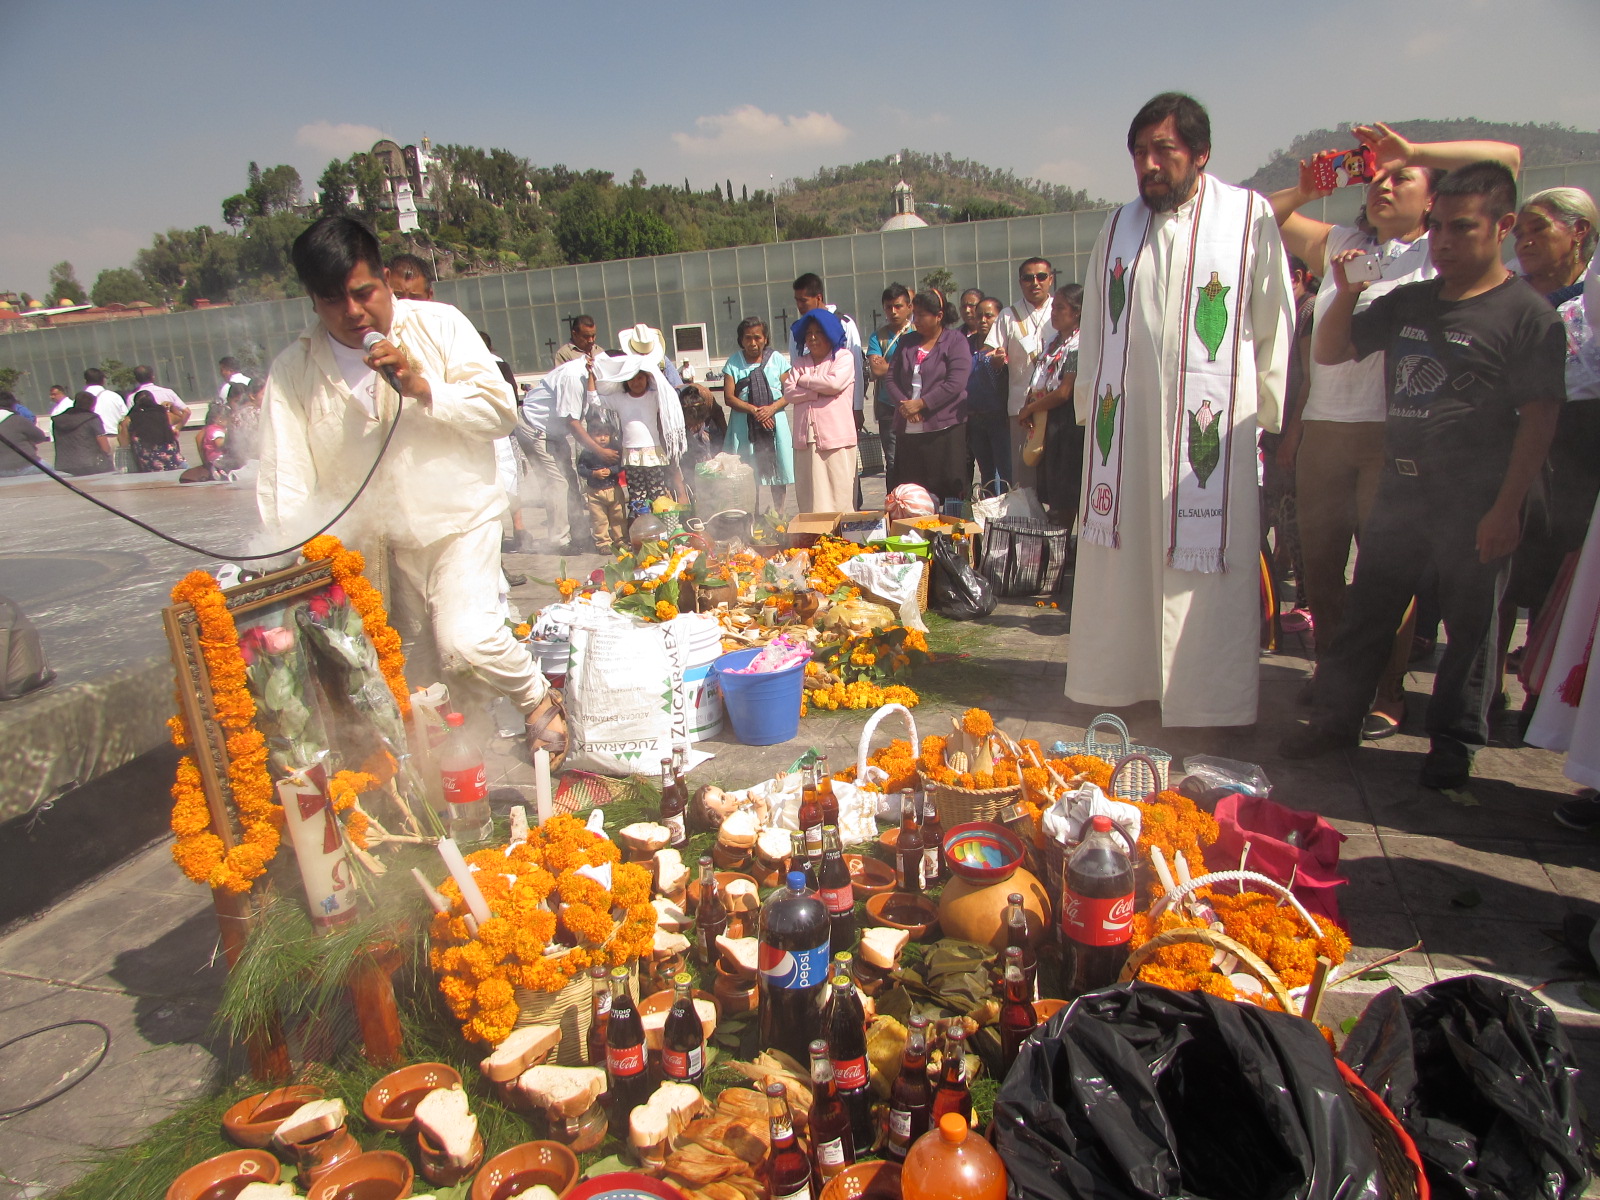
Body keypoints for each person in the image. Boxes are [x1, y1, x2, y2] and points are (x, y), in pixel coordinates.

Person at [1281, 163, 1567, 789]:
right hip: (1402, 490)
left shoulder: (1527, 316)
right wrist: (1349, 293)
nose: (1442, 241)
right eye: (1436, 228)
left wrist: (1506, 509)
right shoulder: (1411, 300)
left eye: (1461, 229)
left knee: (1472, 624)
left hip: (1477, 497)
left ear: (1503, 227)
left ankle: (1454, 742)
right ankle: (1335, 720)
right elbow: (1331, 352)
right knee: (1368, 611)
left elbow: (1539, 422)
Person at [257, 215, 565, 758]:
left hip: (459, 521)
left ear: (382, 277)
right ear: (311, 301)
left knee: (466, 641)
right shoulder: (293, 371)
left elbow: (498, 412)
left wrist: (423, 386)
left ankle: (538, 698)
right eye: (333, 300)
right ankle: (454, 775)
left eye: (363, 293)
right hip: (375, 550)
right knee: (417, 679)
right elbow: (285, 480)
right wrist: (294, 567)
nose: (353, 312)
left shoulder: (439, 326)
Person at [1067, 93, 1295, 729]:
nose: (1149, 165)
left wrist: (1268, 412)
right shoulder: (1117, 227)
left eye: (1163, 150)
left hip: (1211, 433)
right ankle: (1127, 679)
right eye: (1139, 153)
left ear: (1201, 153)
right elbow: (1094, 324)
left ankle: (1206, 696)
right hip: (1131, 431)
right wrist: (1093, 413)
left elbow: (1273, 316)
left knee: (1204, 561)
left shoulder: (1248, 216)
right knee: (1126, 558)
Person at [1499, 187, 1600, 726]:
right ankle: (1483, 693)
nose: (1526, 239)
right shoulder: (1509, 292)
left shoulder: (1592, 299)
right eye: (1520, 233)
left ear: (1579, 231)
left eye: (1539, 228)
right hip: (1514, 439)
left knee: (1562, 576)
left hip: (1581, 447)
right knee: (1501, 571)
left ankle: (1544, 700)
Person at [560, 353, 686, 519]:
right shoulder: (619, 398)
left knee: (658, 496)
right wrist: (591, 374)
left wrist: (652, 367)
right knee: (638, 497)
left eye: (640, 378)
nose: (636, 382)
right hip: (632, 456)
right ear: (625, 380)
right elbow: (593, 399)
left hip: (653, 455)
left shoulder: (654, 396)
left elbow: (668, 391)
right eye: (632, 378)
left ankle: (661, 533)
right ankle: (640, 533)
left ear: (647, 378)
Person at [884, 289, 971, 504]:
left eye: (923, 315)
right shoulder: (907, 342)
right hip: (909, 429)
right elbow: (890, 378)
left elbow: (956, 383)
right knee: (912, 492)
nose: (916, 320)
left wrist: (922, 404)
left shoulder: (955, 341)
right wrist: (906, 407)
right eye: (916, 314)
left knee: (948, 489)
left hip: (945, 429)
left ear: (939, 316)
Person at [988, 258, 1058, 488]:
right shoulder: (1008, 315)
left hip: (1057, 402)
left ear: (1051, 279)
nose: (1034, 282)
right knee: (1024, 471)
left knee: (1056, 468)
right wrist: (997, 360)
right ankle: (1027, 521)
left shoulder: (1060, 309)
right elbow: (991, 356)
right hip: (1021, 406)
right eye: (1028, 278)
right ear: (1020, 282)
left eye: (1041, 276)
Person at [1020, 284, 1085, 524]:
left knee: (1064, 490)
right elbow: (1041, 379)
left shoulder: (1079, 344)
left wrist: (1030, 408)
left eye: (1061, 308)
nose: (1054, 313)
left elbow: (1064, 391)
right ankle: (1054, 539)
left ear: (1076, 312)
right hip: (1046, 418)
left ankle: (1063, 546)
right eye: (1053, 307)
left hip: (1066, 423)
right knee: (1048, 486)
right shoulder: (1053, 341)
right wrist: (1029, 405)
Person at [783, 308, 858, 512]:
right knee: (810, 498)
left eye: (819, 332)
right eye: (809, 334)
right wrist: (816, 393)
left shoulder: (843, 358)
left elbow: (834, 384)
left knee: (837, 497)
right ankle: (813, 539)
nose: (813, 338)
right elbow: (789, 392)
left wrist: (804, 380)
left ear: (831, 333)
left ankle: (840, 542)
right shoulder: (800, 362)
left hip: (835, 440)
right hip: (805, 441)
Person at [722, 316, 795, 513]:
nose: (753, 343)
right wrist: (754, 410)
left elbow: (790, 392)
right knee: (747, 471)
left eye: (757, 337)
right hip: (743, 425)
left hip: (774, 422)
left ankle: (778, 515)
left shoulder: (777, 359)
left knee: (777, 469)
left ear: (765, 338)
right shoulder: (733, 362)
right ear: (741, 340)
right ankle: (750, 516)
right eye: (747, 338)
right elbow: (729, 397)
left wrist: (771, 409)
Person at [518, 360, 590, 553]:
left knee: (570, 480)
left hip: (554, 431)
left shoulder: (592, 377)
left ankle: (580, 534)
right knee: (556, 483)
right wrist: (598, 450)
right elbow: (574, 423)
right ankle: (558, 540)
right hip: (535, 427)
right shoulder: (573, 377)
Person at [791, 273, 865, 423]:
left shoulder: (844, 324)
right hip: (809, 410)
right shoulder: (797, 330)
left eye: (803, 301)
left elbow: (857, 367)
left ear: (818, 298)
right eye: (797, 300)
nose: (799, 306)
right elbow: (794, 372)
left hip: (839, 407)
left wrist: (857, 407)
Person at [866, 284, 915, 482]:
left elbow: (923, 367)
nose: (893, 312)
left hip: (916, 405)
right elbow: (877, 369)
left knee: (917, 458)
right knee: (893, 460)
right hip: (888, 406)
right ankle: (894, 503)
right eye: (888, 307)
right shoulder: (877, 336)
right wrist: (907, 364)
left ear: (909, 307)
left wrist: (890, 365)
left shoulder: (919, 332)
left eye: (898, 306)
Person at [965, 297, 1009, 492]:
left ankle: (1008, 514)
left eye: (989, 316)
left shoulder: (1005, 345)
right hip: (974, 419)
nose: (983, 320)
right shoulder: (966, 345)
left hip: (1000, 418)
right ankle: (988, 514)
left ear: (999, 318)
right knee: (986, 472)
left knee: (1005, 471)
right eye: (979, 315)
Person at [577, 415, 628, 554]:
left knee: (618, 516)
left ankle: (620, 540)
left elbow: (622, 465)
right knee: (599, 520)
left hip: (614, 489)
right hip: (595, 491)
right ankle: (603, 543)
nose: (603, 438)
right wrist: (594, 474)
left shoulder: (616, 448)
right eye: (598, 435)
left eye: (606, 434)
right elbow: (581, 469)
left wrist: (611, 470)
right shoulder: (587, 452)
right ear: (590, 436)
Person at [121, 388, 188, 472]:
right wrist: (171, 406)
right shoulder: (164, 416)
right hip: (174, 462)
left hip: (149, 466)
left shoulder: (129, 420)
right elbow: (179, 417)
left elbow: (124, 444)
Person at [52, 391, 114, 476]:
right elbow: (104, 446)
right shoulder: (92, 418)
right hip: (90, 464)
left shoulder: (58, 420)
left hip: (65, 464)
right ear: (92, 405)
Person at [0, 392, 48, 475]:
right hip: (26, 464)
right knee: (56, 473)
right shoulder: (17, 420)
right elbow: (40, 437)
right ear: (13, 405)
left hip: (2, 470)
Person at [81, 367, 127, 450]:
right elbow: (124, 416)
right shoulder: (115, 396)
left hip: (92, 441)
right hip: (114, 438)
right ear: (103, 381)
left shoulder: (80, 399)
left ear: (85, 381)